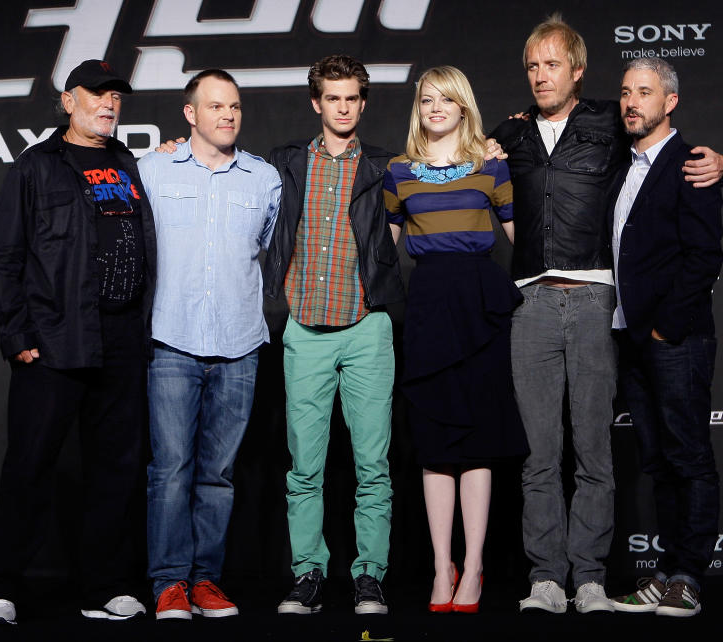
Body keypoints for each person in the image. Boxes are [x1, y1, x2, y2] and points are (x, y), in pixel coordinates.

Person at [488, 14, 723, 614]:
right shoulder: (511, 133)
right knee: (545, 454)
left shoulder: (611, 124)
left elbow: (674, 156)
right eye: (532, 67)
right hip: (536, 301)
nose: (541, 76)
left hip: (603, 303)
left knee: (605, 452)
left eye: (552, 64)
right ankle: (548, 577)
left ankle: (600, 578)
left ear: (577, 70)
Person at [0, 59, 155, 625]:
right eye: (96, 94)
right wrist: (16, 335)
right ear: (67, 100)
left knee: (117, 469)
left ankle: (103, 586)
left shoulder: (127, 160)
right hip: (54, 340)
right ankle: (4, 585)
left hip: (123, 339)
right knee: (30, 465)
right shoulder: (36, 166)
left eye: (116, 97)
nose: (108, 104)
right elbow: (4, 256)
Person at [383, 66, 529, 614]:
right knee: (435, 442)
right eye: (426, 99)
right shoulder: (399, 171)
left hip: (480, 304)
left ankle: (475, 565)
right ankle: (442, 564)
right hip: (426, 308)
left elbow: (525, 237)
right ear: (418, 108)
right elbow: (380, 250)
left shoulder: (492, 164)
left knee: (479, 441)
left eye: (447, 99)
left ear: (464, 106)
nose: (435, 107)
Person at [262, 54, 404, 615]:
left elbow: (452, 165)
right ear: (316, 102)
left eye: (352, 98)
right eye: (333, 98)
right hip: (306, 332)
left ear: (362, 103)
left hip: (367, 327)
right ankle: (308, 575)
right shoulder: (285, 164)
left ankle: (369, 575)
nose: (343, 107)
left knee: (373, 465)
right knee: (305, 467)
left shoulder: (387, 166)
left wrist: (491, 148)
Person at [137, 70, 281, 620]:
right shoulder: (151, 170)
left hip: (240, 344)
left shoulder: (264, 180)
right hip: (171, 340)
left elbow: (267, 251)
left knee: (218, 475)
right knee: (170, 468)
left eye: (235, 107)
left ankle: (206, 582)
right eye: (216, 106)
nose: (228, 115)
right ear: (190, 114)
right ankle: (169, 584)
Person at [608, 58, 722, 618]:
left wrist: (661, 329)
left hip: (675, 338)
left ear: (669, 102)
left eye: (645, 93)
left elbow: (705, 257)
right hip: (632, 338)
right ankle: (666, 570)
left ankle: (688, 576)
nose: (632, 102)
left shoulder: (692, 164)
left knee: (688, 457)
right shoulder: (622, 160)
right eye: (626, 92)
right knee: (657, 460)